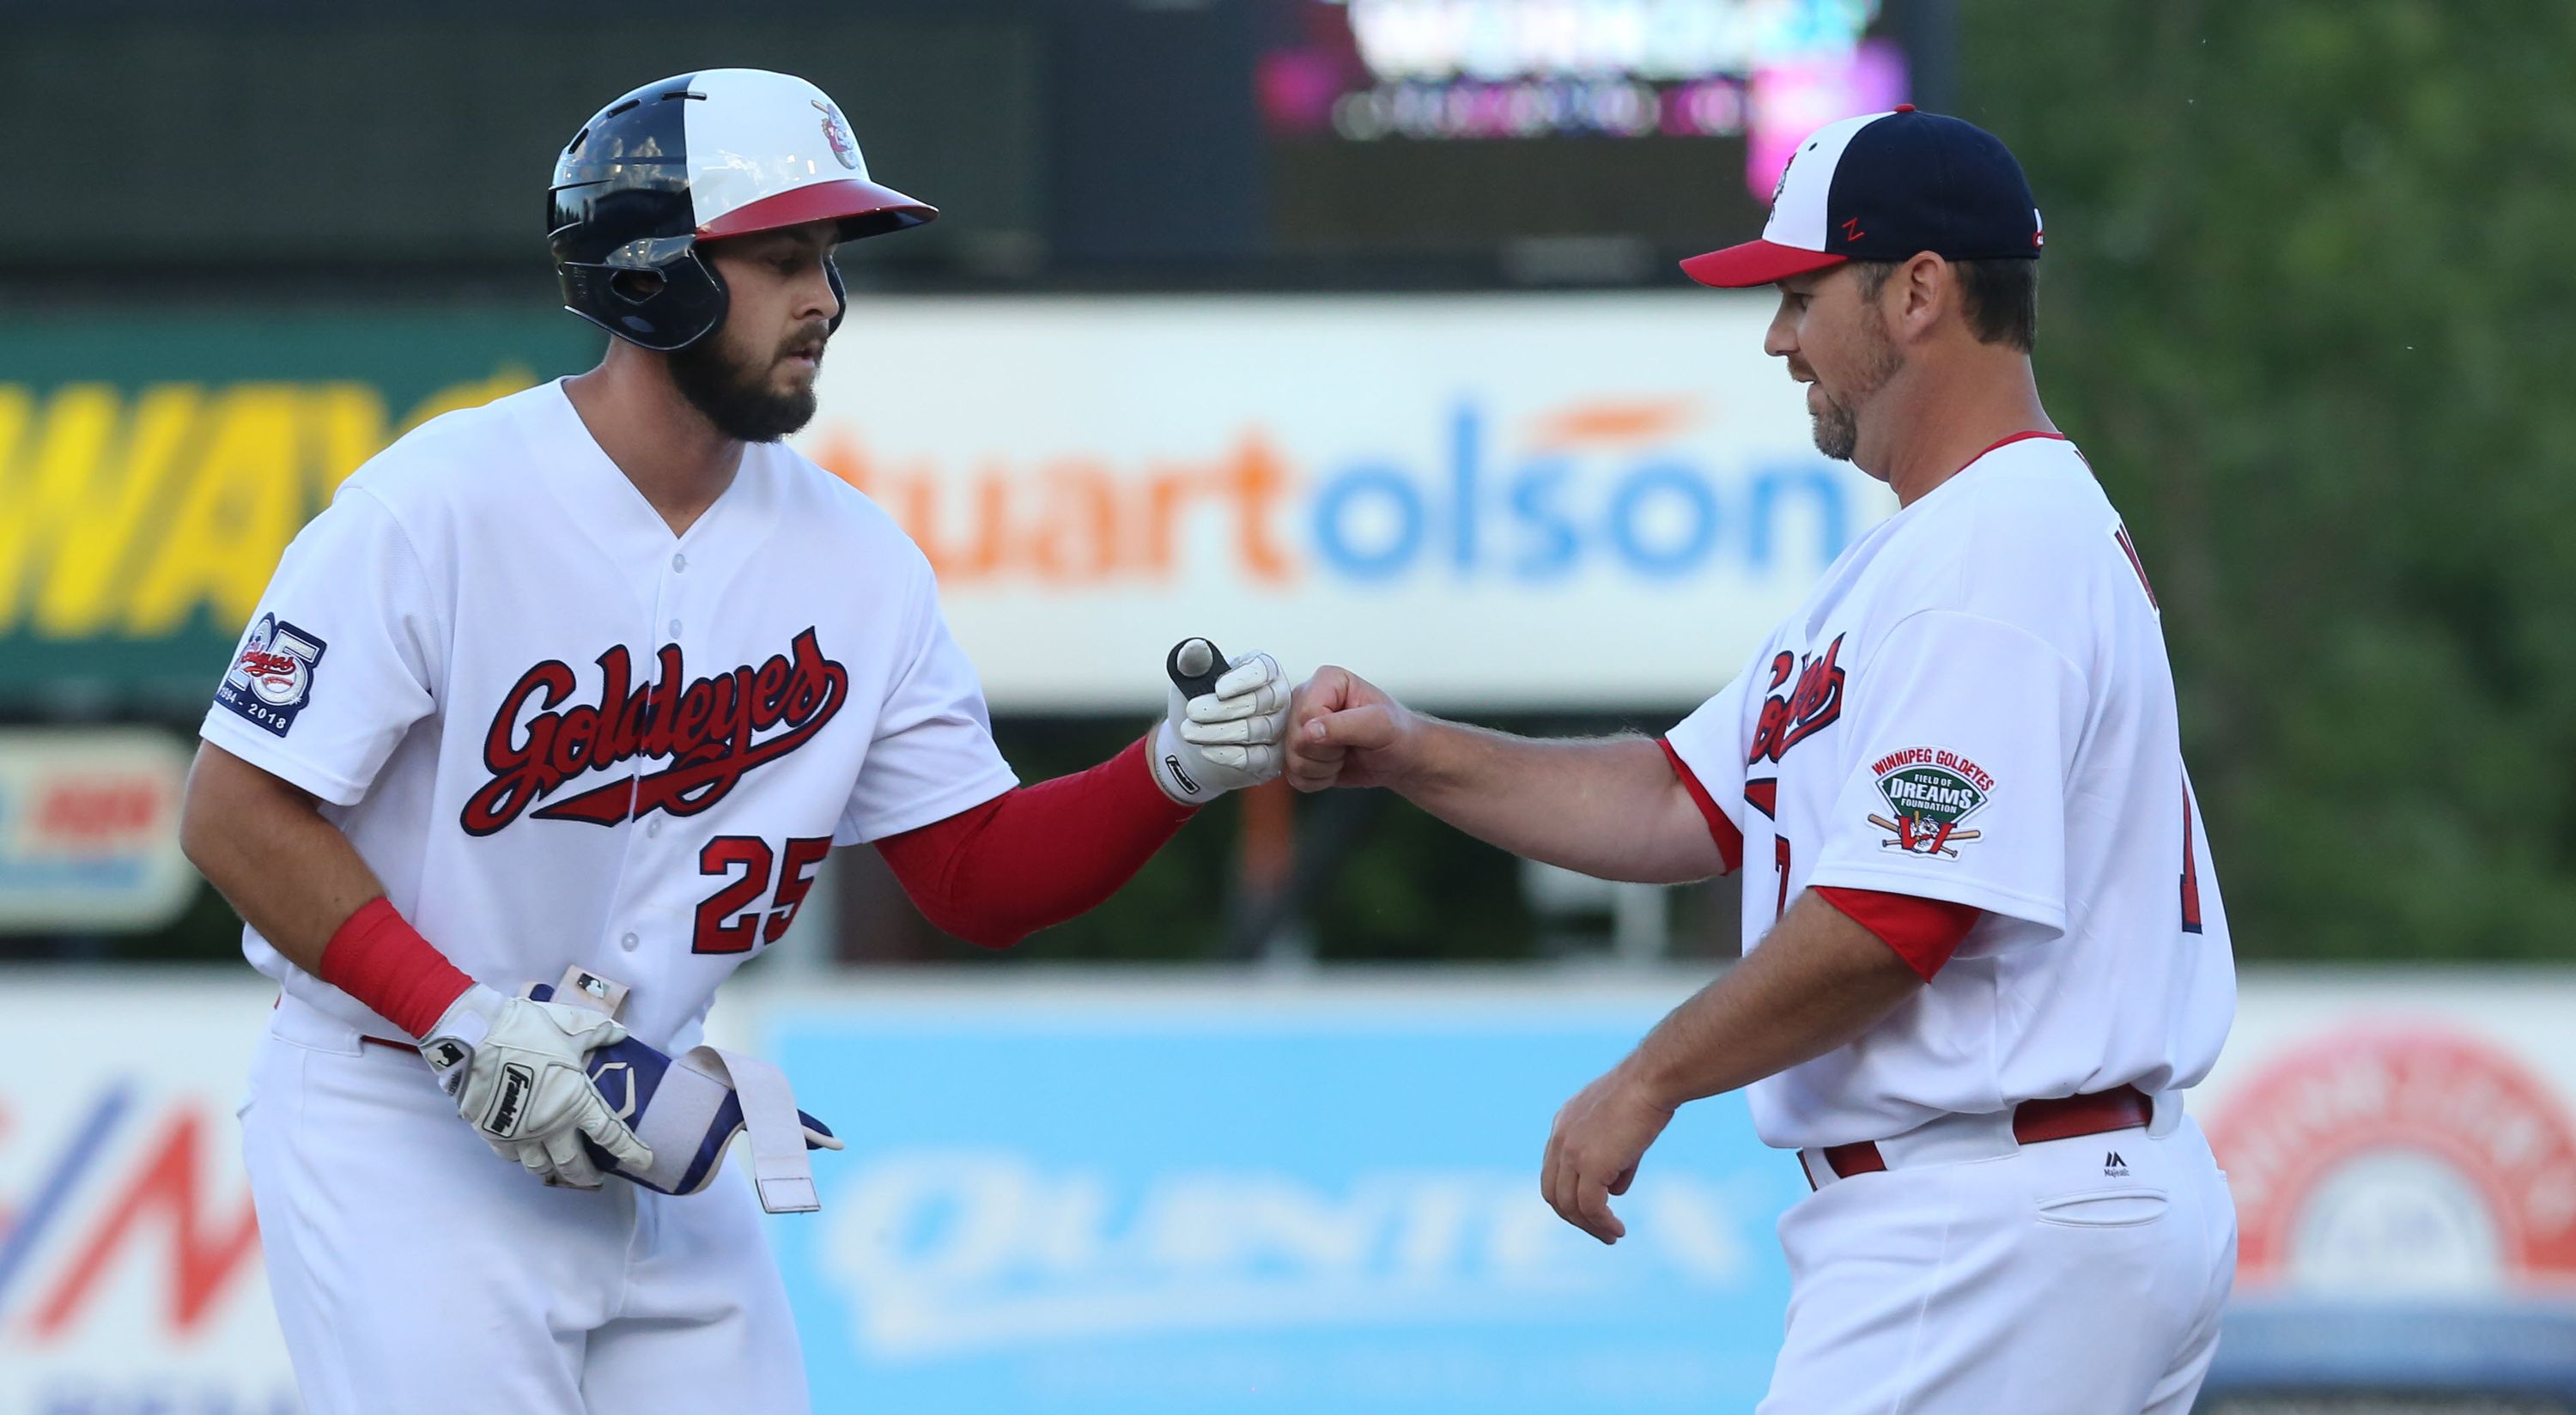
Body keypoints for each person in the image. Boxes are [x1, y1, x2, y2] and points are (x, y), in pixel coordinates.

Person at [179, 68, 1286, 1414]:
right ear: (652, 274)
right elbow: (234, 813)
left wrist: (1170, 772)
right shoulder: (436, 508)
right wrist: (459, 1019)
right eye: (781, 258)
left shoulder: (859, 564)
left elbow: (977, 875)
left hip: (656, 1123)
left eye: (826, 259)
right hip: (400, 1112)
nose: (824, 299)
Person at [1284, 106, 2238, 1413]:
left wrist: (1648, 1077)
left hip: (1991, 1219)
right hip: (2019, 1210)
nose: (1779, 336)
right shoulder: (1933, 549)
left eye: (1799, 292)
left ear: (1915, 293)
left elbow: (1900, 913)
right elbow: (1684, 800)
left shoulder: (1994, 552)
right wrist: (1411, 752)